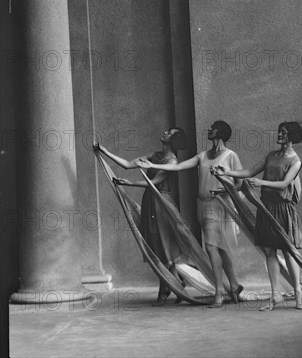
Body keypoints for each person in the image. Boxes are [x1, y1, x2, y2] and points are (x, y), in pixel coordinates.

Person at [137, 120, 244, 308]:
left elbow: (239, 183)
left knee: (212, 247)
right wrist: (152, 165)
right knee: (220, 247)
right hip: (202, 205)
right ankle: (234, 285)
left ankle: (219, 292)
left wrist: (222, 192)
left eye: (213, 128)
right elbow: (178, 166)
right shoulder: (203, 155)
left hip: (219, 204)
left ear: (221, 133)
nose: (209, 130)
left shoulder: (230, 156)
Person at [213, 121, 302, 310]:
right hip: (267, 208)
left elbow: (284, 184)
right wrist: (226, 172)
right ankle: (275, 295)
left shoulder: (295, 161)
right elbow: (248, 172)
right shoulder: (271, 155)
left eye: (284, 133)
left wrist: (261, 183)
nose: (279, 135)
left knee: (288, 251)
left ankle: (298, 291)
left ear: (292, 137)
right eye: (280, 131)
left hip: (283, 210)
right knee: (270, 252)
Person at [94, 127, 187, 306]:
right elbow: (128, 165)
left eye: (169, 132)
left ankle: (165, 290)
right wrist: (105, 152)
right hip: (150, 202)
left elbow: (153, 183)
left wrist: (130, 183)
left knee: (162, 248)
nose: (165, 132)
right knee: (157, 246)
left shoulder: (172, 161)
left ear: (174, 140)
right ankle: (176, 285)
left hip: (162, 203)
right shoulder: (155, 155)